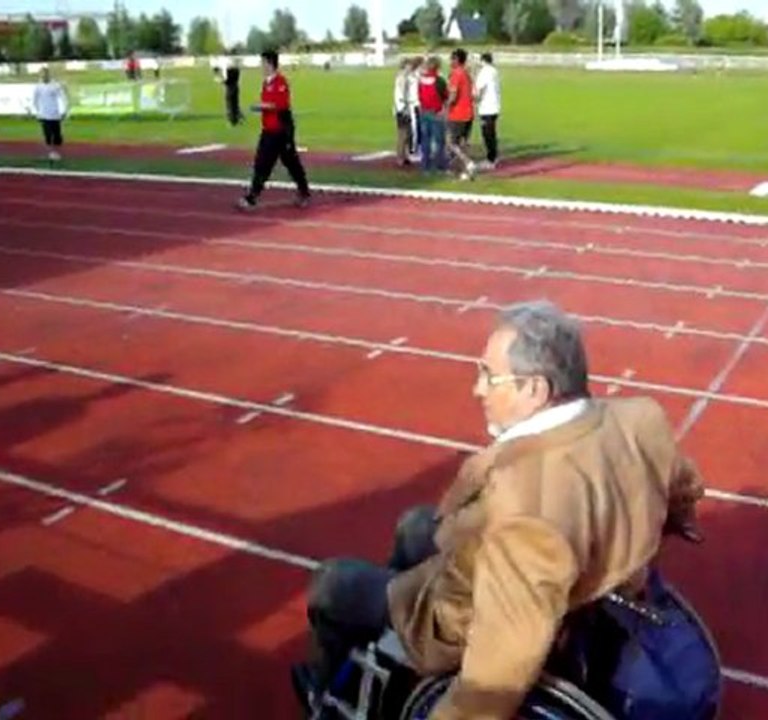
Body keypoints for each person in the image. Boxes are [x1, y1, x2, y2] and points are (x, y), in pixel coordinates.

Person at [291, 300, 706, 718]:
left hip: (475, 614)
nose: (478, 389)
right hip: (587, 589)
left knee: (333, 584)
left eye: (489, 376)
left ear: (535, 390)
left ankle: (325, 696)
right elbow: (682, 488)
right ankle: (388, 650)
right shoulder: (640, 418)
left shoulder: (528, 512)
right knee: (415, 526)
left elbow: (502, 668)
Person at [237, 49, 311, 211]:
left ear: (270, 64)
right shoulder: (267, 83)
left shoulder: (280, 82)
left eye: (263, 63)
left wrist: (258, 106)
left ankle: (304, 192)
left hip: (281, 131)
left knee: (291, 163)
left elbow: (280, 105)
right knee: (262, 163)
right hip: (269, 130)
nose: (261, 66)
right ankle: (252, 197)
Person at [445, 48, 477, 181]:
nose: (450, 61)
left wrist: (445, 106)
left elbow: (453, 95)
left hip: (458, 113)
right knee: (463, 143)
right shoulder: (466, 73)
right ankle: (463, 171)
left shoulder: (456, 74)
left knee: (451, 142)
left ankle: (468, 162)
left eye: (452, 59)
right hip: (468, 112)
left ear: (457, 60)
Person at [416, 56, 449, 174]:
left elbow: (419, 96)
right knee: (439, 141)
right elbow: (445, 96)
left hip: (424, 111)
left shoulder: (421, 80)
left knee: (426, 140)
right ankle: (440, 166)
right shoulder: (439, 80)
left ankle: (425, 166)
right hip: (437, 112)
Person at [32, 66, 68, 163]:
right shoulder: (38, 87)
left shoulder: (55, 85)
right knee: (47, 135)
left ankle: (58, 151)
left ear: (48, 74)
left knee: (57, 136)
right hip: (44, 115)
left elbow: (63, 98)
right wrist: (37, 112)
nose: (43, 76)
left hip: (55, 114)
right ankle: (51, 153)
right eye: (41, 74)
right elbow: (35, 100)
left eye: (45, 74)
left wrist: (64, 111)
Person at [474, 52, 501, 170]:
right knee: (492, 133)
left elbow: (480, 89)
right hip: (495, 106)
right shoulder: (494, 71)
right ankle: (493, 156)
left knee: (487, 134)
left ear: (482, 60)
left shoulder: (484, 72)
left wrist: (475, 101)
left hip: (486, 107)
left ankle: (491, 159)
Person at [393, 58, 413, 167]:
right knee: (403, 134)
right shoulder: (402, 77)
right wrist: (404, 107)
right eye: (409, 66)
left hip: (403, 108)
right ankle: (400, 157)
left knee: (407, 134)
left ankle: (404, 156)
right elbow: (402, 94)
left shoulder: (403, 77)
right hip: (402, 109)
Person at [224, 59, 243, 126]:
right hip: (236, 88)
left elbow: (228, 81)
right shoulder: (237, 70)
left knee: (230, 105)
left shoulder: (229, 71)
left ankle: (232, 121)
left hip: (230, 89)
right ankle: (239, 118)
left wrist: (221, 81)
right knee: (235, 104)